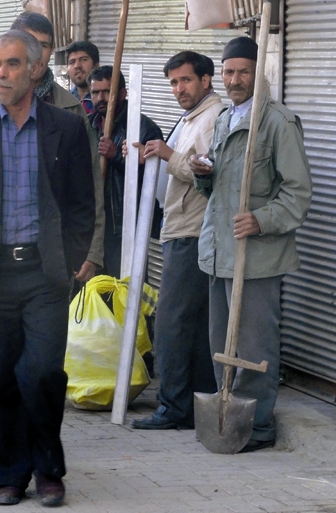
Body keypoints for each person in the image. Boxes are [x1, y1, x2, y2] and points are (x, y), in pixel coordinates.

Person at [0, 29, 95, 506]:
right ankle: (9, 474)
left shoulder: (66, 127)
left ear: (34, 70)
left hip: (45, 274)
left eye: (12, 64)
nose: (0, 73)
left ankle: (49, 469)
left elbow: (81, 204)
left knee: (43, 372)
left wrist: (73, 259)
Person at [190, 36, 312, 453]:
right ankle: (228, 417)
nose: (235, 79)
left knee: (255, 346)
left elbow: (297, 193)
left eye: (243, 71)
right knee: (220, 343)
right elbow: (218, 191)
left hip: (257, 257)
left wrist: (261, 219)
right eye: (228, 72)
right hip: (220, 251)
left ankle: (257, 427)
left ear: (258, 73)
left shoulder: (277, 122)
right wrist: (204, 174)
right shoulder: (226, 118)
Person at [0, 12, 104, 287]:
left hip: (50, 257)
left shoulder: (70, 109)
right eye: (30, 42)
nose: (38, 53)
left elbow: (89, 186)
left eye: (44, 45)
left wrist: (91, 249)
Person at [129, 51, 223, 430]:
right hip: (181, 228)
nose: (178, 89)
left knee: (171, 322)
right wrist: (151, 154)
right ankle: (193, 403)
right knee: (194, 323)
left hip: (192, 230)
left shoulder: (214, 117)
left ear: (206, 80)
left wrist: (168, 154)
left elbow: (210, 171)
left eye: (185, 80)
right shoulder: (192, 117)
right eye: (173, 82)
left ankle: (173, 406)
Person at [90, 65, 162, 278]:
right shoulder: (88, 126)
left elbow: (153, 180)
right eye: (96, 92)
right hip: (95, 226)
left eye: (107, 92)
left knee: (128, 290)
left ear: (122, 92)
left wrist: (117, 157)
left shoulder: (143, 129)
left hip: (125, 228)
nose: (101, 98)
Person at [66, 40, 99, 115]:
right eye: (72, 62)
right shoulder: (64, 100)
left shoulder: (104, 101)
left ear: (96, 65)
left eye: (84, 59)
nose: (77, 66)